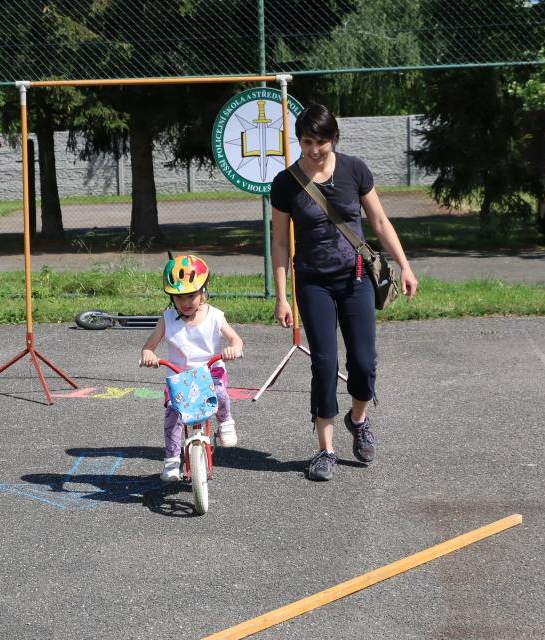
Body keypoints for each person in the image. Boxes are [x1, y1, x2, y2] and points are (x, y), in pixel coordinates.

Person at [269, 104, 419, 482]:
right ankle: (326, 450)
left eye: (320, 142)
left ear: (334, 138)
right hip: (313, 282)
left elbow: (379, 221)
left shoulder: (355, 170)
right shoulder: (286, 183)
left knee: (364, 362)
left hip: (356, 278)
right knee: (323, 364)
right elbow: (280, 243)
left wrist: (405, 266)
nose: (313, 150)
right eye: (306, 142)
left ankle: (359, 419)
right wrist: (282, 296)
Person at [139, 254, 244, 481]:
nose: (185, 302)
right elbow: (149, 346)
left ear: (203, 291)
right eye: (179, 297)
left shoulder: (215, 316)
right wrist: (148, 355)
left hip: (210, 372)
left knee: (219, 392)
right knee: (173, 414)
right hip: (180, 377)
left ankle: (225, 421)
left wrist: (233, 349)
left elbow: (236, 339)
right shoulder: (166, 319)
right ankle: (172, 459)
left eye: (190, 296)